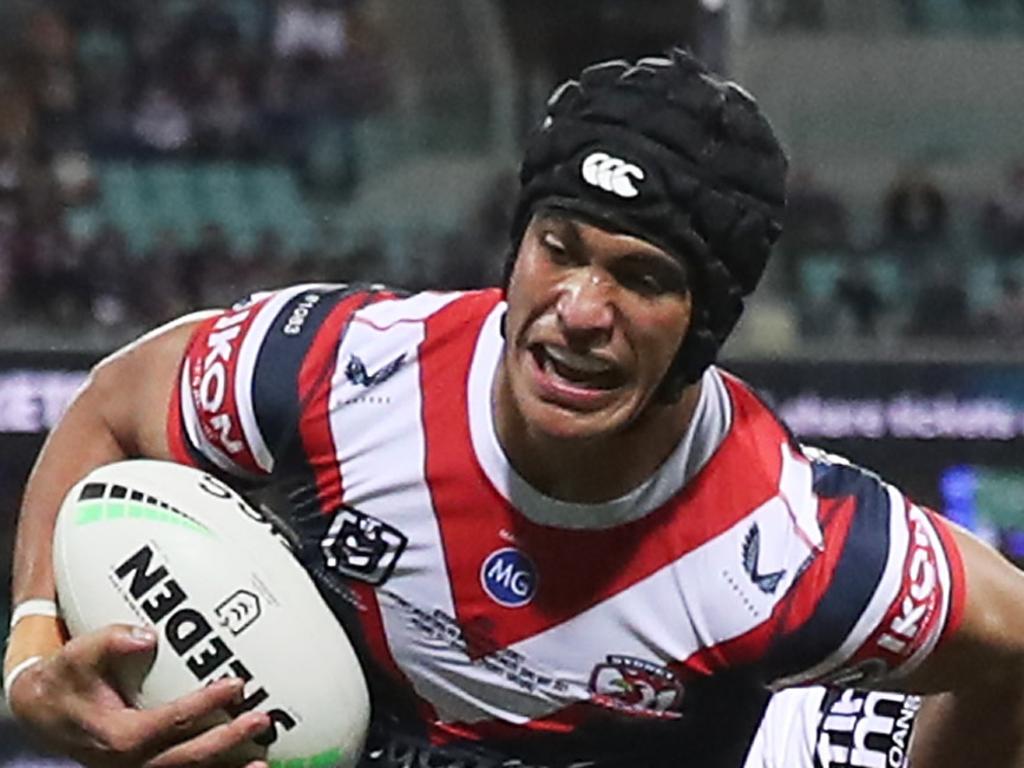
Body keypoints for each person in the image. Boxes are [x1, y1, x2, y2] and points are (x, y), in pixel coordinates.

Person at [5, 48, 1024, 768]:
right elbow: (113, 405)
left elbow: (1013, 646)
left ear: (704, 326)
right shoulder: (343, 368)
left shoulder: (790, 549)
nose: (580, 310)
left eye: (642, 275)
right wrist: (32, 652)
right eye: (560, 246)